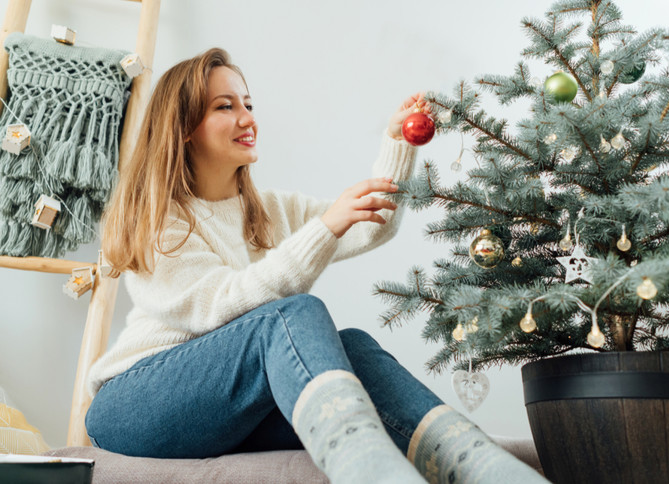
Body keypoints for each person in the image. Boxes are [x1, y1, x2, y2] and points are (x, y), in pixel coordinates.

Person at [84, 47, 547, 484]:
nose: (247, 119)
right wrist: (324, 228)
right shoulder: (158, 218)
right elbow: (221, 306)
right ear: (184, 126)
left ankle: (486, 469)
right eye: (225, 107)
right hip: (134, 406)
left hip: (226, 412)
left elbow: (370, 226)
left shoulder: (267, 209)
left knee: (354, 348)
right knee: (293, 315)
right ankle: (369, 471)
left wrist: (395, 143)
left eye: (248, 104)